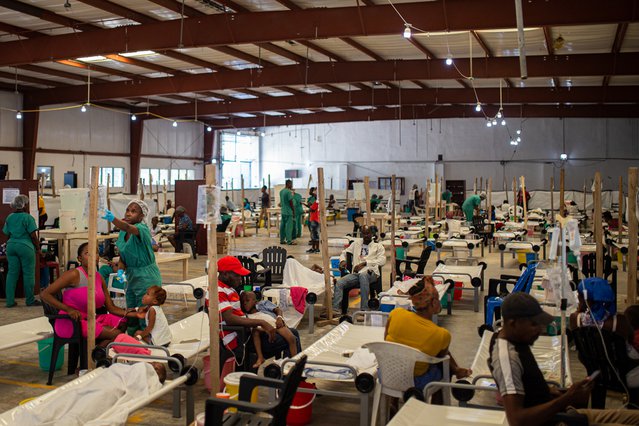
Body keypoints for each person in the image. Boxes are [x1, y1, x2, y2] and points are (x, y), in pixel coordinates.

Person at [489, 292, 639, 426]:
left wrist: (562, 393)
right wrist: (567, 398)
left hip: (563, 414)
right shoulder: (507, 358)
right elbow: (517, 420)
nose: (539, 330)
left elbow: (531, 391)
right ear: (512, 323)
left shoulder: (516, 340)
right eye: (533, 324)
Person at [385, 277, 471, 391]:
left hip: (388, 375)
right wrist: (455, 369)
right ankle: (436, 406)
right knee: (442, 367)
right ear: (434, 302)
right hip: (415, 383)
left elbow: (386, 341)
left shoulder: (396, 313)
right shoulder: (441, 334)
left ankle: (393, 402)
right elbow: (442, 357)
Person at [216, 256, 301, 369]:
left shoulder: (228, 289)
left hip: (245, 333)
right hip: (240, 339)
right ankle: (291, 372)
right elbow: (229, 319)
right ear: (225, 274)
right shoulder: (219, 291)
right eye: (237, 275)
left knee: (293, 333)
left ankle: (289, 370)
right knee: (292, 337)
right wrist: (262, 322)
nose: (240, 278)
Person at [41, 242, 128, 342]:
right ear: (79, 259)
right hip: (71, 321)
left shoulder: (99, 277)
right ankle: (99, 352)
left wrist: (133, 313)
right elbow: (45, 294)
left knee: (123, 322)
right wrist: (68, 309)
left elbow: (111, 308)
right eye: (88, 253)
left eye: (96, 253)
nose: (93, 256)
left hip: (91, 318)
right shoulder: (74, 274)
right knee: (115, 333)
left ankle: (100, 350)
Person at [102, 200, 162, 334]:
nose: (129, 213)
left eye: (133, 211)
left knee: (145, 311)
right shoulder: (123, 233)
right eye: (127, 210)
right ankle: (132, 338)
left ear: (141, 217)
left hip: (147, 276)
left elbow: (129, 228)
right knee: (132, 310)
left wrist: (113, 219)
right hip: (131, 276)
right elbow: (124, 254)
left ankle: (147, 338)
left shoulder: (141, 229)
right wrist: (121, 271)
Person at [569, 278, 639, 390]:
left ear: (584, 297)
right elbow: (631, 340)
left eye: (579, 295)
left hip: (597, 375)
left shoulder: (575, 320)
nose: (577, 297)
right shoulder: (619, 322)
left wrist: (582, 307)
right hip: (626, 376)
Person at [332, 226, 385, 314]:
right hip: (356, 275)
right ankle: (335, 309)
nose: (366, 235)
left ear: (372, 234)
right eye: (364, 233)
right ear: (361, 234)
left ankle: (364, 310)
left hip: (371, 273)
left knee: (363, 276)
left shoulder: (378, 246)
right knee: (340, 283)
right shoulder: (356, 244)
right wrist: (342, 261)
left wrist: (365, 263)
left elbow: (382, 260)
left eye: (368, 233)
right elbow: (344, 253)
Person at [240, 291, 299, 368]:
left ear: (255, 302)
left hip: (275, 324)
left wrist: (279, 318)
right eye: (242, 301)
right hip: (263, 332)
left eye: (247, 300)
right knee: (255, 332)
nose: (244, 303)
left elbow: (278, 310)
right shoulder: (245, 316)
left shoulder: (262, 304)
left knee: (292, 337)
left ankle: (294, 362)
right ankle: (260, 357)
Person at [2, 194, 40, 307]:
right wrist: (38, 248)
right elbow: (33, 235)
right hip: (25, 247)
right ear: (25, 205)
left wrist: (9, 245)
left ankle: (9, 301)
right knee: (28, 274)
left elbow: (7, 234)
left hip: (11, 246)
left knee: (12, 273)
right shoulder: (28, 218)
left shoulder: (9, 217)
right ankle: (30, 300)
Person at [279, 180, 295, 245]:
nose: (291, 186)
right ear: (288, 184)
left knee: (282, 226)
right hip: (288, 212)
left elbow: (281, 202)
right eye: (291, 184)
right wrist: (293, 210)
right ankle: (289, 241)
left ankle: (282, 240)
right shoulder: (288, 192)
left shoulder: (281, 191)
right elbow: (290, 202)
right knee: (289, 227)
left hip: (283, 211)